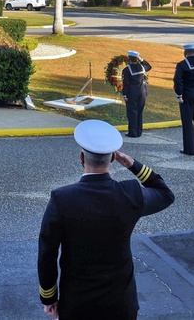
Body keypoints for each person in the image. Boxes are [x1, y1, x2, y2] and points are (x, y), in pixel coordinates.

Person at [38, 120, 174, 320]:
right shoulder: (130, 194)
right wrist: (133, 165)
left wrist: (49, 298)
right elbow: (165, 194)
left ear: (81, 157)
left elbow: (47, 253)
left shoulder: (62, 199)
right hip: (121, 304)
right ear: (112, 159)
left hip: (77, 304)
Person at [120, 51, 151, 138]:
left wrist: (124, 95)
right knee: (139, 112)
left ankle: (132, 132)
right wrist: (141, 59)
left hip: (132, 93)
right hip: (142, 92)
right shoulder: (142, 67)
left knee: (132, 112)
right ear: (137, 59)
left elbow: (126, 83)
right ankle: (139, 131)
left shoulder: (126, 70)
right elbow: (149, 66)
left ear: (129, 59)